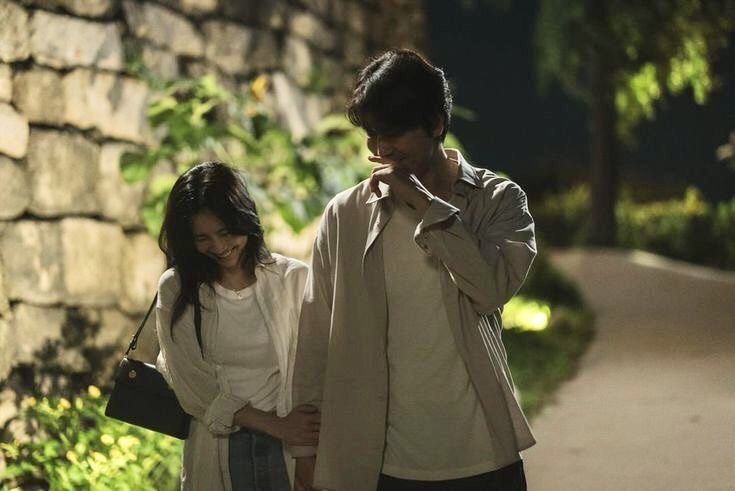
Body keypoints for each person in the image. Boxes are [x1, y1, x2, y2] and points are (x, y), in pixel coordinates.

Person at [290, 49, 536, 491]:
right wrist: (305, 450)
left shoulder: (497, 200)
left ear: (436, 124)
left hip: (483, 453)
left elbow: (488, 290)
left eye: (394, 132)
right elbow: (315, 335)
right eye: (372, 135)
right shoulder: (346, 215)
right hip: (386, 463)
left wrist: (425, 205)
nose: (380, 149)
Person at [155, 161, 320, 490]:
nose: (219, 247)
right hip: (218, 446)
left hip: (287, 450)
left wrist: (305, 453)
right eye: (202, 238)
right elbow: (193, 388)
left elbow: (313, 373)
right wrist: (277, 425)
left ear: (244, 219)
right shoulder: (177, 288)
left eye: (226, 232)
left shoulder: (293, 279)